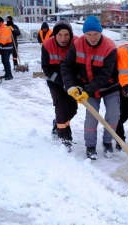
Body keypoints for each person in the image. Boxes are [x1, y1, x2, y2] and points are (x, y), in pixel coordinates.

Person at [61, 15, 119, 160]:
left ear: (101, 32)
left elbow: (104, 75)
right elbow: (66, 65)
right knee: (91, 118)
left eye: (96, 34)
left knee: (113, 115)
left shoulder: (110, 47)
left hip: (109, 86)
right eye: (89, 34)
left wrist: (87, 91)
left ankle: (107, 142)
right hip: (88, 87)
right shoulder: (77, 44)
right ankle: (90, 146)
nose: (92, 38)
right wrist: (70, 86)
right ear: (84, 33)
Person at [41, 20, 78, 151]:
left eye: (66, 35)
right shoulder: (47, 45)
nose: (63, 38)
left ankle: (57, 123)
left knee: (72, 109)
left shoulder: (77, 43)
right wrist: (60, 82)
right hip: (54, 81)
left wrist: (73, 82)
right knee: (61, 106)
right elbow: (46, 68)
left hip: (72, 82)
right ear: (54, 35)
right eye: (60, 35)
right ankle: (65, 137)